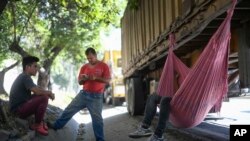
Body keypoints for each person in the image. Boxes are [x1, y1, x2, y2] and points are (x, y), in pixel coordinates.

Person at [49, 47, 111, 141]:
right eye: (88, 58)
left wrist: (96, 78)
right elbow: (79, 82)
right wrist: (84, 79)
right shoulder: (84, 67)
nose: (90, 60)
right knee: (69, 110)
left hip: (96, 97)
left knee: (97, 120)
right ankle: (56, 126)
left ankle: (100, 139)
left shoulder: (104, 66)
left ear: (95, 55)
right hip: (84, 94)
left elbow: (108, 80)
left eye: (91, 58)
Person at [9, 56, 55, 136]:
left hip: (21, 106)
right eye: (35, 66)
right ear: (27, 67)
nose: (37, 69)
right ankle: (37, 125)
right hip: (18, 110)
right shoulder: (25, 77)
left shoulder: (25, 77)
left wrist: (48, 92)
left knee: (42, 95)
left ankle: (40, 122)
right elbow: (37, 91)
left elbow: (37, 88)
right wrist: (49, 93)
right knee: (43, 98)